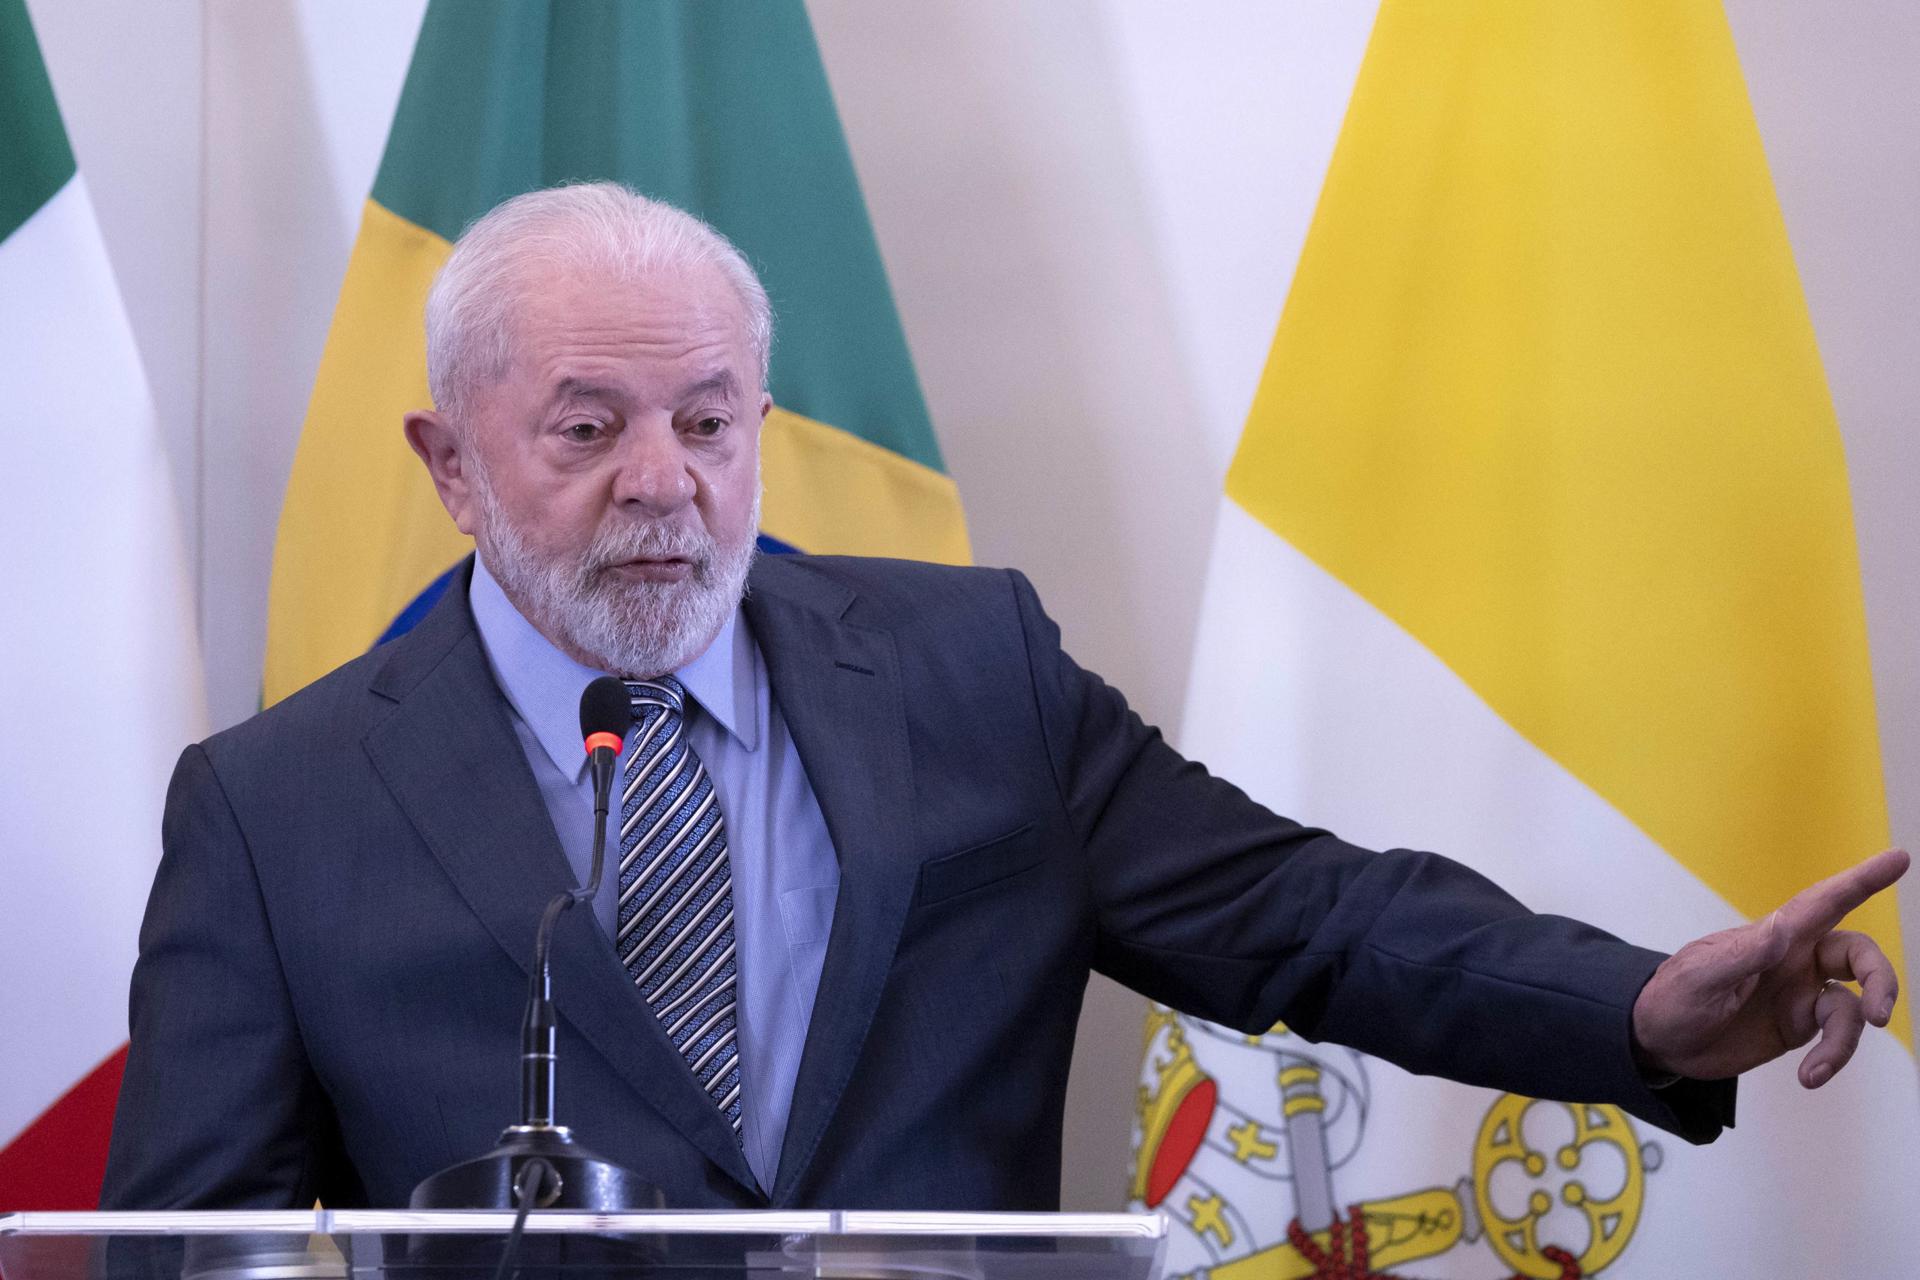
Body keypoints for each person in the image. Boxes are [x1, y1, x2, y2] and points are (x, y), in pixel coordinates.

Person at [100, 182, 1908, 1211]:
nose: (666, 481)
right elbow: (195, 1243)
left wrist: (1643, 1012)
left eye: (713, 419)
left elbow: (1303, 915)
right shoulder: (278, 806)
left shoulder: (969, 671)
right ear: (449, 463)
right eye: (589, 427)